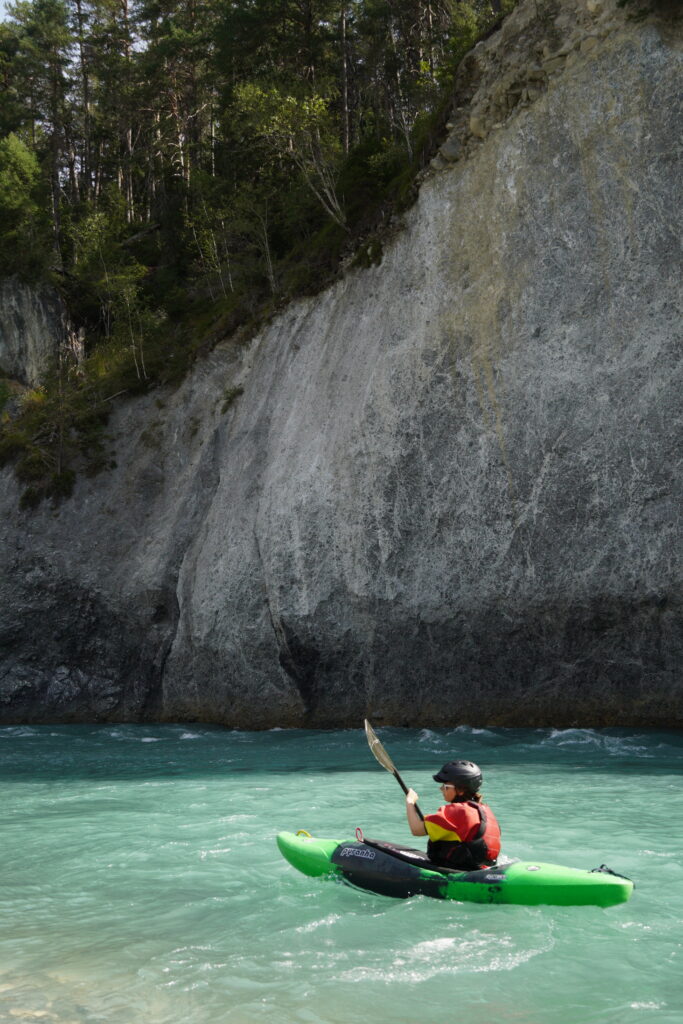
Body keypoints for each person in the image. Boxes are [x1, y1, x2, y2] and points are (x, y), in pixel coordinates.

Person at [405, 759, 501, 870]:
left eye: (445, 786)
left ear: (461, 790)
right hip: (480, 868)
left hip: (457, 870)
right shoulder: (484, 809)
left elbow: (416, 829)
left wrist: (410, 802)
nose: (441, 789)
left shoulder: (456, 812)